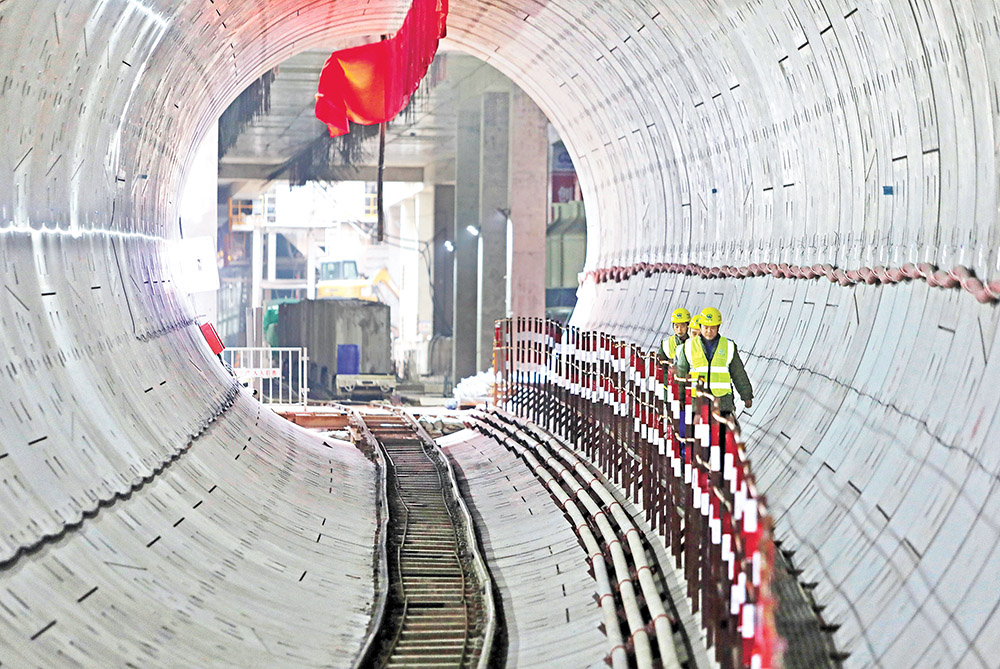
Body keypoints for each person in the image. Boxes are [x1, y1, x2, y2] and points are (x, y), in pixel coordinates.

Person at [675, 307, 753, 414]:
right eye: (706, 327)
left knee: (723, 430)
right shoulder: (688, 346)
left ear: (718, 327)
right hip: (697, 400)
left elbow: (738, 372)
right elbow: (681, 373)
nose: (709, 331)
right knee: (699, 430)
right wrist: (680, 397)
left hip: (723, 401)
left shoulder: (728, 346)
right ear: (700, 327)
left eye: (713, 328)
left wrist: (746, 395)